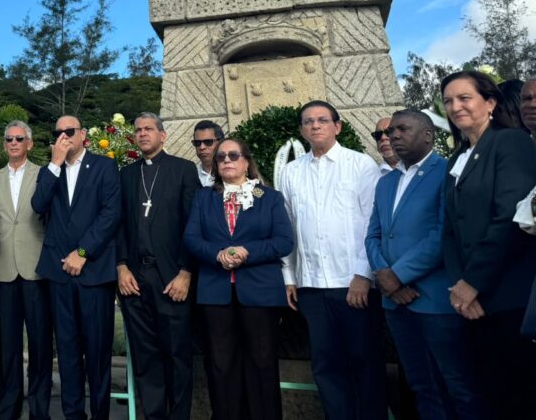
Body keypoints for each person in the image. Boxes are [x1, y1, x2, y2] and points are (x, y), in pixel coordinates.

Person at [365, 109, 485, 418]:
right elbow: (374, 235)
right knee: (421, 386)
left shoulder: (447, 172)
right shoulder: (385, 182)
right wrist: (386, 280)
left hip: (434, 300)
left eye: (402, 129)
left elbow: (442, 233)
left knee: (460, 386)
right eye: (390, 131)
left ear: (428, 135)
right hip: (396, 304)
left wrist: (400, 275)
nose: (393, 136)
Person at [280, 100, 386, 420]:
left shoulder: (360, 164)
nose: (315, 126)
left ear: (337, 126)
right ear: (301, 130)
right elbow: (288, 227)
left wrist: (363, 274)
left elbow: (373, 222)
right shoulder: (291, 171)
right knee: (326, 366)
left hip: (352, 284)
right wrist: (289, 276)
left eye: (322, 120)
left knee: (365, 363)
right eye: (308, 121)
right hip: (311, 286)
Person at [440, 70, 536, 417]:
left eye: (465, 98)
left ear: (490, 102)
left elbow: (510, 217)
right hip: (471, 303)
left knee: (522, 396)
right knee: (493, 395)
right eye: (449, 100)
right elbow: (449, 229)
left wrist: (474, 283)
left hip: (510, 297)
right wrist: (459, 287)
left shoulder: (511, 143)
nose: (455, 106)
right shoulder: (458, 157)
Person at [184, 137, 291, 420]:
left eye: (233, 155)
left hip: (259, 291)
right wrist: (218, 254)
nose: (227, 160)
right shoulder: (204, 197)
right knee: (221, 364)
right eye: (221, 157)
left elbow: (284, 241)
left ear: (246, 161)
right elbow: (191, 239)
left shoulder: (268, 197)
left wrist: (248, 251)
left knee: (262, 362)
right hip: (216, 291)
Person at [31, 116, 121, 420]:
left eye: (69, 131)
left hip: (94, 273)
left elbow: (111, 213)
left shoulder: (104, 166)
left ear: (83, 135)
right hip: (59, 274)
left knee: (97, 353)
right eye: (57, 133)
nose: (63, 136)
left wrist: (82, 252)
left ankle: (99, 415)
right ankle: (73, 415)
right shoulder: (49, 171)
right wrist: (54, 165)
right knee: (67, 353)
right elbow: (38, 205)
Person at [116, 113, 200, 420]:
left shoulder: (183, 170)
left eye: (149, 129)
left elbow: (193, 225)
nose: (142, 134)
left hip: (172, 278)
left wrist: (186, 272)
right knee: (145, 356)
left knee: (177, 356)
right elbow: (119, 225)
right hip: (135, 279)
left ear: (162, 135)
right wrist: (121, 267)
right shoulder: (126, 174)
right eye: (138, 130)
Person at [0, 120, 52, 420]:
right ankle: (9, 409)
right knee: (9, 346)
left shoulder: (45, 174)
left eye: (19, 138)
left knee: (39, 344)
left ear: (30, 143)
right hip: (4, 271)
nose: (13, 143)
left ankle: (40, 410)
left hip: (36, 269)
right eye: (8, 139)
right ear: (4, 144)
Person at [190, 120, 223, 187]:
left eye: (208, 142)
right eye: (197, 143)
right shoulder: (190, 175)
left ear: (220, 142)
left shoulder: (230, 173)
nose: (202, 147)